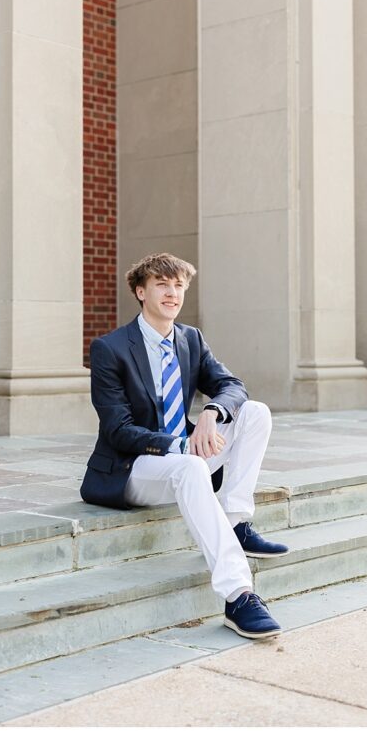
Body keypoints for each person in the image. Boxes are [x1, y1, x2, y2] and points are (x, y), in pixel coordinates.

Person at [80, 253, 287, 640]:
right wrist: (179, 445)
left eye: (178, 285)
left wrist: (210, 411)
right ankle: (238, 594)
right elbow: (118, 430)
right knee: (191, 466)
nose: (171, 292)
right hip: (134, 468)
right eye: (161, 284)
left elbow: (233, 386)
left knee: (255, 412)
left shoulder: (190, 338)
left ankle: (237, 522)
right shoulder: (110, 348)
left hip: (185, 457)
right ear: (141, 292)